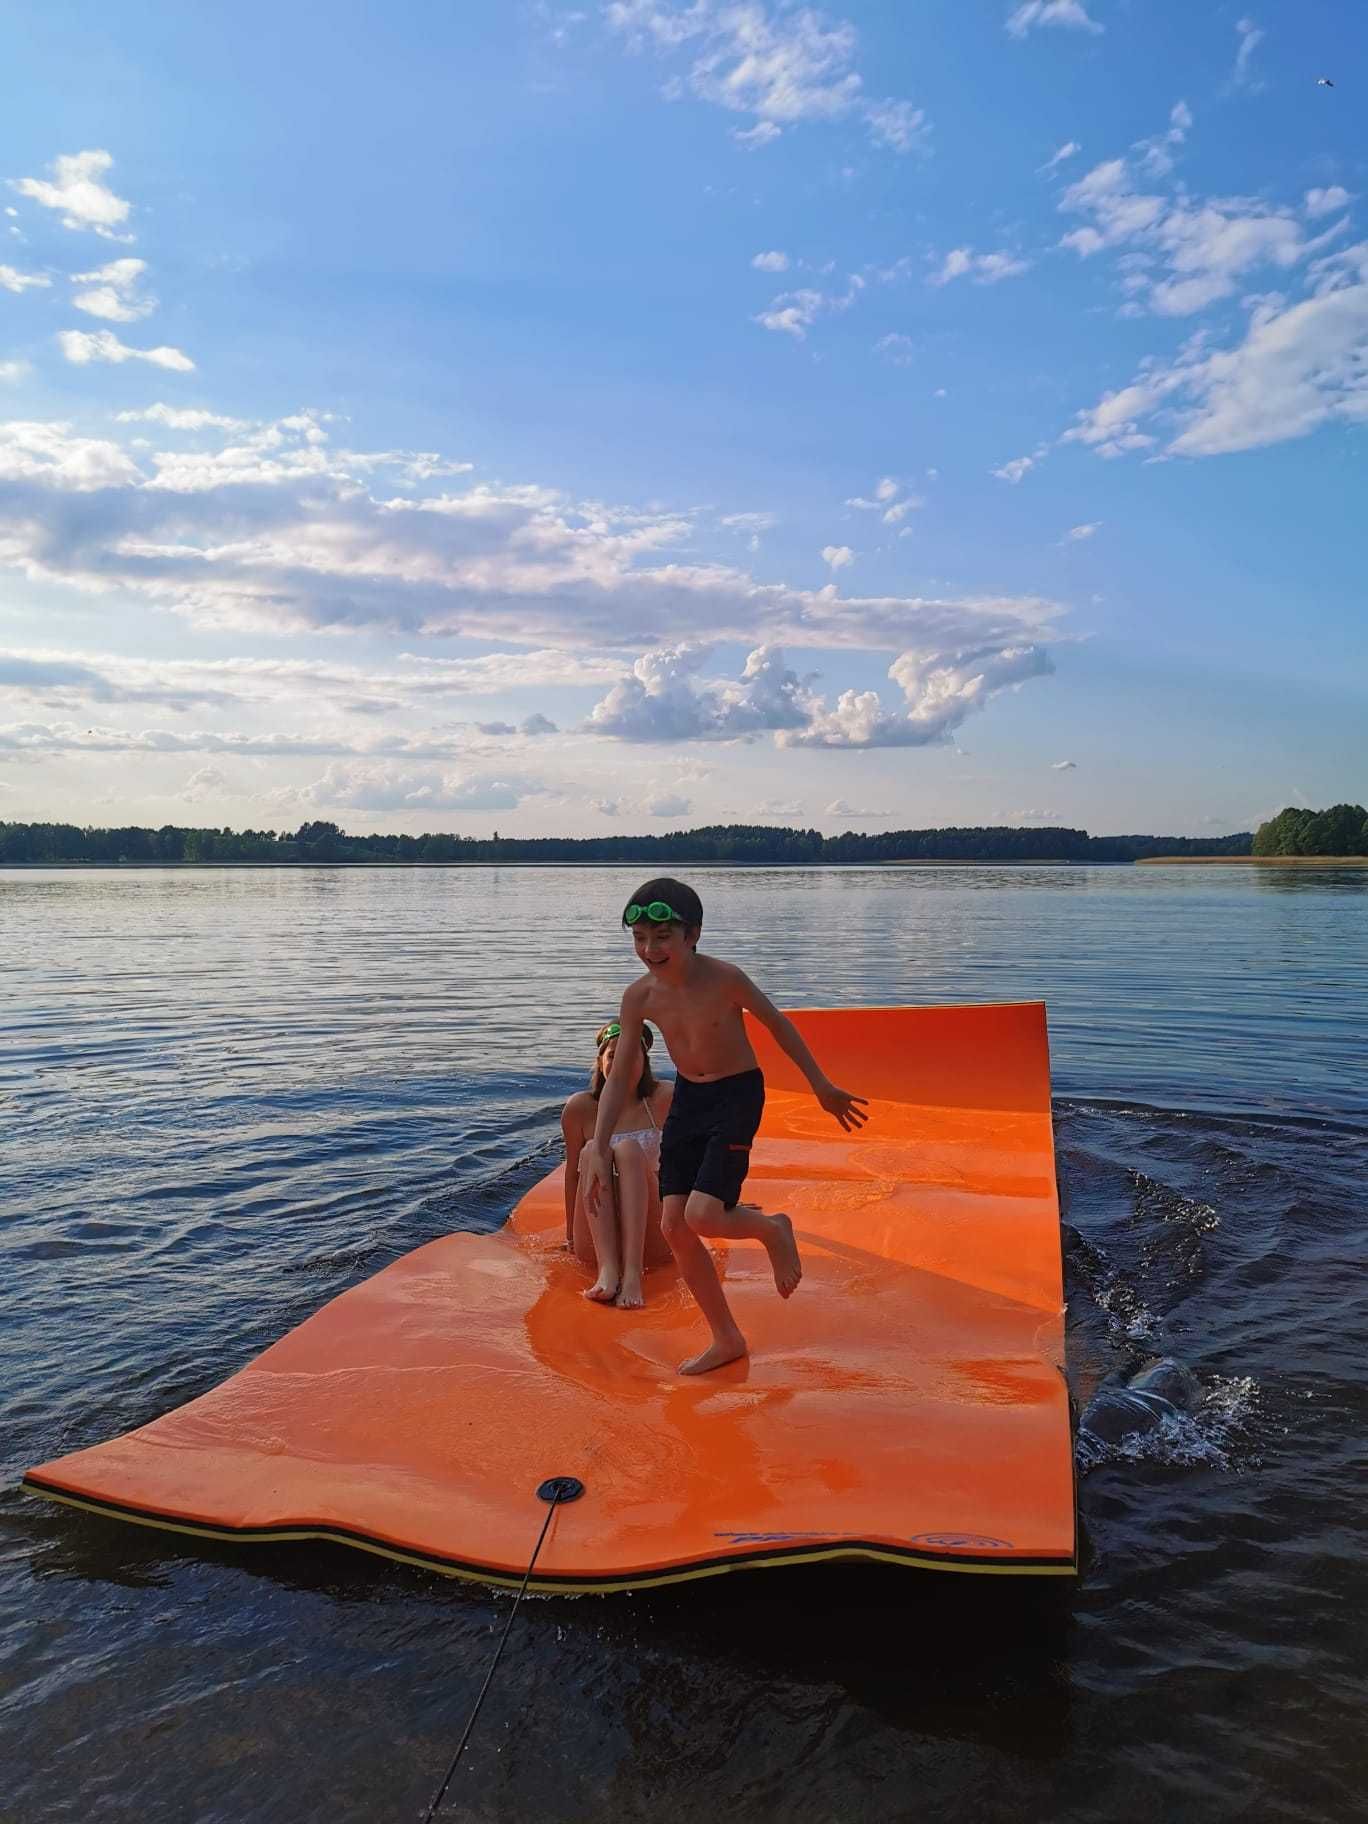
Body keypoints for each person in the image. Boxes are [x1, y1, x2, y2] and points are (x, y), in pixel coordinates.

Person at [580, 878, 868, 1373]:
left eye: (662, 937)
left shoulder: (725, 979)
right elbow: (621, 1073)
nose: (650, 949)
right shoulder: (638, 998)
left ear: (693, 934)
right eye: (641, 939)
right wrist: (599, 1149)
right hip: (690, 1098)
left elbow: (778, 1023)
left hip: (735, 1094)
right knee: (674, 1224)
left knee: (705, 1215)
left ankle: (772, 1228)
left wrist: (820, 1085)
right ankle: (727, 1337)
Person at [562, 1020, 673, 1309]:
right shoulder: (580, 1108)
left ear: (645, 1060)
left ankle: (633, 1275)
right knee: (590, 1152)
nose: (622, 1064)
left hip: (651, 1229)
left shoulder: (664, 1098)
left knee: (627, 1150)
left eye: (631, 1056)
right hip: (598, 1237)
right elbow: (572, 1175)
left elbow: (690, 1158)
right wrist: (570, 1237)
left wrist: (715, 1202)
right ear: (600, 1062)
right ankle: (608, 1272)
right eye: (613, 1056)